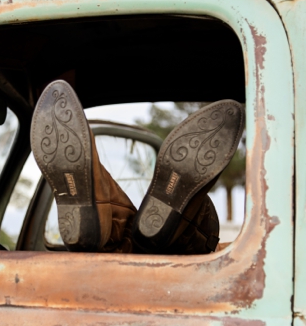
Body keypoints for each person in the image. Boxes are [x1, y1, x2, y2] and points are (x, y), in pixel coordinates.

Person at [30, 79, 245, 253]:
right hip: (181, 254)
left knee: (123, 238)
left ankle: (97, 209)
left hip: (111, 261)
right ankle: (171, 230)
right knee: (194, 235)